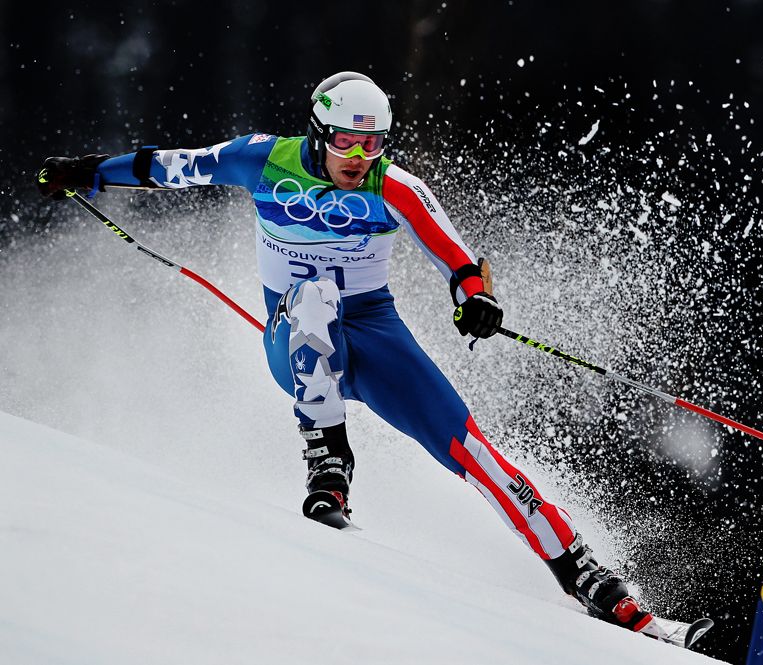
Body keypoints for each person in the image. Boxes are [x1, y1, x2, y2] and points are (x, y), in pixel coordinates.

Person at [36, 71, 659, 636]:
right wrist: (89, 171)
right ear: (318, 133)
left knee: (471, 448)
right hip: (297, 336)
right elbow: (173, 166)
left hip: (374, 335)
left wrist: (476, 299)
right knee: (314, 296)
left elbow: (457, 258)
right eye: (346, 143)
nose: (360, 158)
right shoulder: (263, 159)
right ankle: (328, 463)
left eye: (373, 144)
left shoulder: (397, 187)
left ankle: (586, 575)